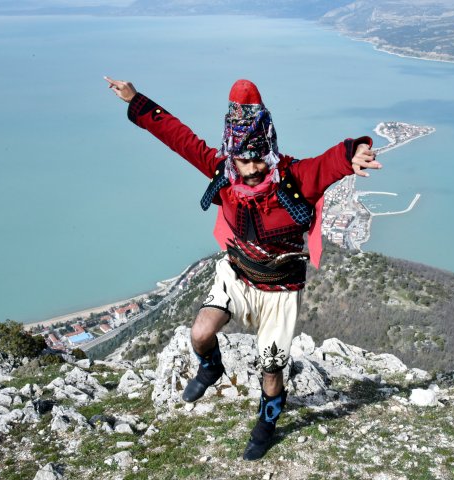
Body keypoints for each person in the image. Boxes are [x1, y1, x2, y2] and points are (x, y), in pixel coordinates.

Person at [105, 76, 382, 460]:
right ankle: (210, 367)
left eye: (257, 157)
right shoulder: (223, 174)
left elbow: (329, 162)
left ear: (269, 150)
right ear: (231, 154)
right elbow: (179, 138)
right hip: (236, 273)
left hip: (281, 291)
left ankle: (267, 422)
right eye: (243, 158)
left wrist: (354, 151)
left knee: (272, 371)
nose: (251, 167)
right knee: (200, 331)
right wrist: (136, 100)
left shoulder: (292, 180)